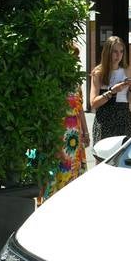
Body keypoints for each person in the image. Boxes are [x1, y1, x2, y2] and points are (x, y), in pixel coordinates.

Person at [39, 44, 90, 204]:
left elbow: (79, 107)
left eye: (75, 58)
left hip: (75, 136)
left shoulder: (75, 81)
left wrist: (86, 133)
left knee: (73, 171)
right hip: (59, 134)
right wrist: (53, 141)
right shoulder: (53, 81)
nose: (73, 62)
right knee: (59, 171)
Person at [90, 35, 131, 143]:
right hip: (105, 117)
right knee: (104, 156)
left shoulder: (127, 70)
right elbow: (93, 103)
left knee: (123, 155)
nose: (118, 55)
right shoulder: (98, 73)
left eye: (121, 51)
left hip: (124, 116)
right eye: (115, 51)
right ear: (107, 52)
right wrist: (111, 91)